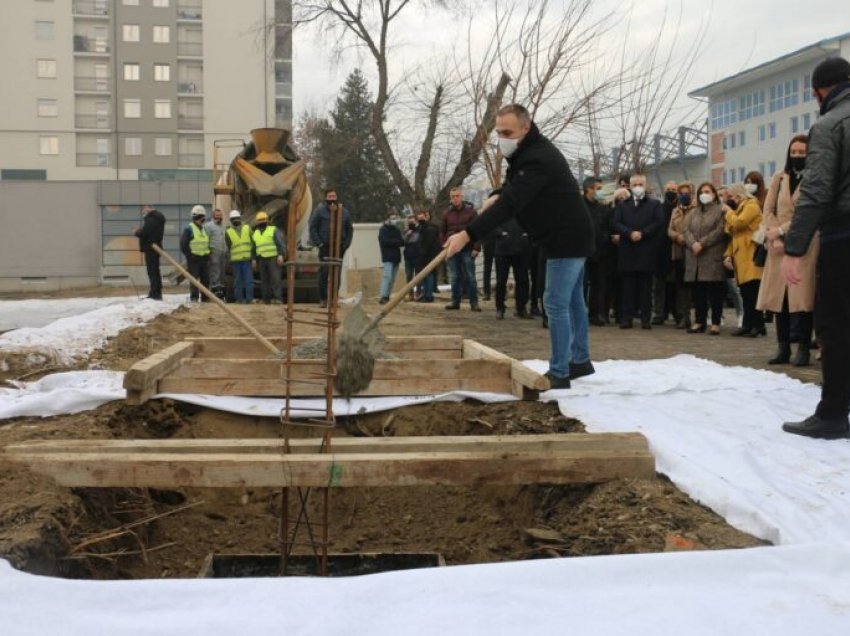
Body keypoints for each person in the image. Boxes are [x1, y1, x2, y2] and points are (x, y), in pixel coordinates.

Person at [443, 104, 594, 390]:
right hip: (566, 234)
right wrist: (497, 194)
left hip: (566, 237)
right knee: (573, 301)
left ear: (525, 128)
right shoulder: (526, 152)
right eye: (499, 132)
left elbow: (514, 202)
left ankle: (560, 372)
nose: (503, 138)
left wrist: (467, 234)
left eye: (508, 132)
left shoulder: (537, 157)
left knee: (555, 303)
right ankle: (580, 360)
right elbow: (514, 188)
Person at [781, 56, 850, 440]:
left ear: (818, 91)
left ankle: (833, 413)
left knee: (835, 324)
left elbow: (818, 190)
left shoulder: (829, 125)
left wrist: (795, 247)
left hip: (844, 235)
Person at [757, 135, 814, 366]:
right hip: (777, 247)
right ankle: (782, 348)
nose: (798, 156)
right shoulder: (779, 179)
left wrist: (781, 230)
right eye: (794, 152)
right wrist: (774, 235)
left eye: (802, 152)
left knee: (802, 299)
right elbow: (768, 210)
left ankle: (803, 348)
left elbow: (807, 213)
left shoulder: (814, 179)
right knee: (779, 301)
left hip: (806, 245)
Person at [613, 174, 664, 329]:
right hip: (627, 250)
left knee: (645, 288)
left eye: (640, 184)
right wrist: (629, 233)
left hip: (646, 250)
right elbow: (616, 223)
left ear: (645, 185)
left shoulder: (654, 204)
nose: (637, 187)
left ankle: (645, 319)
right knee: (628, 288)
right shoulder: (622, 205)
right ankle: (627, 318)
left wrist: (643, 233)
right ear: (629, 186)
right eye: (634, 184)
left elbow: (658, 222)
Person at [684, 183, 727, 335]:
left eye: (708, 191)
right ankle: (699, 321)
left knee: (715, 292)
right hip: (695, 257)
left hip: (712, 255)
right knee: (698, 292)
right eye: (702, 192)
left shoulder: (720, 210)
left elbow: (720, 230)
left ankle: (715, 323)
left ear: (714, 194)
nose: (704, 194)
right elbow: (686, 230)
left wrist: (702, 243)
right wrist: (693, 243)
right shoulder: (694, 212)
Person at [724, 183, 764, 337]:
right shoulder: (739, 209)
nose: (730, 200)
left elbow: (739, 223)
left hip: (751, 253)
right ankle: (748, 324)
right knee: (746, 293)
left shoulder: (751, 205)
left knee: (752, 291)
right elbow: (730, 229)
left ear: (738, 195)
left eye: (731, 197)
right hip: (741, 254)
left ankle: (757, 325)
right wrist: (729, 254)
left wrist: (728, 213)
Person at [309, 189, 354, 308]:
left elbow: (349, 229)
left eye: (334, 196)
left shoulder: (344, 212)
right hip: (325, 246)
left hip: (339, 247)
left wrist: (346, 244)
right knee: (324, 273)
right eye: (330, 196)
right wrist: (319, 243)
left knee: (336, 274)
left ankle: (334, 299)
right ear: (326, 198)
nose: (332, 199)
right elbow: (313, 228)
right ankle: (323, 299)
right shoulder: (319, 212)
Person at [440, 187, 481, 312]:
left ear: (461, 197)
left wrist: (477, 247)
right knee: (454, 276)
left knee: (470, 276)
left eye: (457, 196)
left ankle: (474, 303)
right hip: (452, 250)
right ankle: (455, 301)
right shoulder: (446, 214)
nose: (455, 198)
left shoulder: (471, 212)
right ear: (450, 199)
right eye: (453, 197)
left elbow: (478, 229)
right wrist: (444, 246)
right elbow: (442, 232)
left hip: (467, 248)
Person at [582, 176, 615, 326]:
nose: (601, 192)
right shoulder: (579, 206)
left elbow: (609, 226)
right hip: (582, 252)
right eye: (598, 189)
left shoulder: (603, 207)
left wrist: (605, 238)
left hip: (600, 251)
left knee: (598, 284)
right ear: (589, 189)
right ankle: (580, 313)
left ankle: (595, 314)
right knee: (580, 285)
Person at [667, 182, 696, 328]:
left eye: (687, 193)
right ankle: (683, 316)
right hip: (678, 251)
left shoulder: (696, 210)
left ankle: (696, 317)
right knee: (680, 285)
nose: (684, 196)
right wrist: (676, 236)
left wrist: (687, 238)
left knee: (692, 285)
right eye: (681, 193)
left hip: (692, 251)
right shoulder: (675, 211)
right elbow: (670, 229)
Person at [493, 217, 532, 319]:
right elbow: (492, 224)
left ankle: (521, 308)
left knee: (522, 280)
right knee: (501, 280)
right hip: (503, 250)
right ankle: (500, 308)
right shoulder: (501, 208)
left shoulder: (524, 209)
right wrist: (502, 233)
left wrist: (527, 233)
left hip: (521, 249)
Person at [652, 181, 679, 324]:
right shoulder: (658, 208)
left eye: (673, 189)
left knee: (674, 285)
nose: (670, 192)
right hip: (660, 251)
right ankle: (659, 313)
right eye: (668, 189)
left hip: (675, 249)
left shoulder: (680, 208)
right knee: (659, 286)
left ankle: (676, 313)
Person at [252, 211, 284, 304]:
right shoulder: (256, 233)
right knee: (264, 280)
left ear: (267, 220)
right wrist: (254, 259)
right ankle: (266, 299)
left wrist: (280, 255)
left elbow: (279, 243)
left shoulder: (273, 230)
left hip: (273, 258)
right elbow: (254, 248)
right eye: (260, 220)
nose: (262, 221)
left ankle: (277, 298)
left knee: (275, 279)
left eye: (263, 219)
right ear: (257, 222)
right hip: (261, 259)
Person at [134, 205, 165, 300]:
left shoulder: (151, 219)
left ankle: (155, 293)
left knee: (152, 272)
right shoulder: (158, 218)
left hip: (151, 248)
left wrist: (137, 232)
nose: (143, 213)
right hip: (155, 247)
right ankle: (156, 292)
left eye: (143, 210)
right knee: (155, 271)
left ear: (148, 208)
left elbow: (145, 233)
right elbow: (150, 231)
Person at [225, 209, 253, 304]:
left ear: (240, 218)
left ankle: (249, 299)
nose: (235, 220)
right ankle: (239, 299)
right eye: (234, 219)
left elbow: (253, 242)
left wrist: (253, 258)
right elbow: (229, 246)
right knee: (238, 281)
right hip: (236, 260)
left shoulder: (247, 228)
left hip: (246, 259)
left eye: (237, 218)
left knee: (248, 281)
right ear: (231, 220)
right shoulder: (228, 232)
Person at [378, 211, 404, 304]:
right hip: (387, 257)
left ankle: (387, 295)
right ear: (387, 218)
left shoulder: (396, 230)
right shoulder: (383, 230)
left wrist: (394, 242)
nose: (394, 220)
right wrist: (395, 242)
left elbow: (402, 241)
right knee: (387, 276)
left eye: (395, 218)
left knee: (392, 279)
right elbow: (384, 242)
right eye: (392, 218)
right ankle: (383, 295)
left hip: (396, 257)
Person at [415, 210, 440, 303]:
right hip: (423, 255)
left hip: (428, 255)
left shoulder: (430, 229)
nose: (420, 220)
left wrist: (423, 253)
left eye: (422, 218)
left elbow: (429, 244)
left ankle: (428, 295)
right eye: (419, 218)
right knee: (425, 276)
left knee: (428, 275)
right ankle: (425, 294)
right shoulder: (423, 228)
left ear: (426, 217)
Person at [205, 208, 227, 299]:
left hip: (223, 253)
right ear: (213, 215)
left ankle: (220, 292)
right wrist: (208, 252)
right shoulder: (208, 226)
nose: (219, 217)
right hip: (214, 252)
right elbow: (206, 239)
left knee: (222, 273)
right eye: (217, 215)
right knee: (215, 273)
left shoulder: (224, 226)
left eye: (220, 215)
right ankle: (213, 293)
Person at [402, 214, 420, 300]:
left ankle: (418, 292)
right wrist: (408, 233)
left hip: (417, 256)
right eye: (409, 222)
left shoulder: (419, 230)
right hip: (408, 257)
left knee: (418, 276)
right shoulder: (406, 231)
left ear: (416, 221)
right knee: (409, 276)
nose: (411, 224)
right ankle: (410, 293)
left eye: (412, 222)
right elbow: (403, 241)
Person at [480, 229, 496, 301]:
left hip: (498, 242)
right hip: (488, 242)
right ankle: (486, 292)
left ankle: (500, 292)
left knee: (501, 269)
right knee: (487, 269)